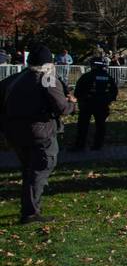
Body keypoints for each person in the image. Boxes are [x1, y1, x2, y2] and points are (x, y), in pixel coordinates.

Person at [0, 45, 73, 223]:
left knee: (29, 169)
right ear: (49, 63)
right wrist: (72, 104)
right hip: (40, 132)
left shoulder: (14, 79)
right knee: (41, 168)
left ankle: (29, 205)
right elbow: (61, 107)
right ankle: (31, 212)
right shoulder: (47, 79)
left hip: (15, 131)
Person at [72, 56, 118, 151]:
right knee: (101, 125)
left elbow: (78, 91)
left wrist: (82, 99)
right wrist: (108, 99)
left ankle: (80, 145)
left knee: (83, 125)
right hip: (102, 105)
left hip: (87, 104)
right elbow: (114, 91)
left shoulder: (87, 76)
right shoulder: (108, 77)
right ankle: (98, 145)